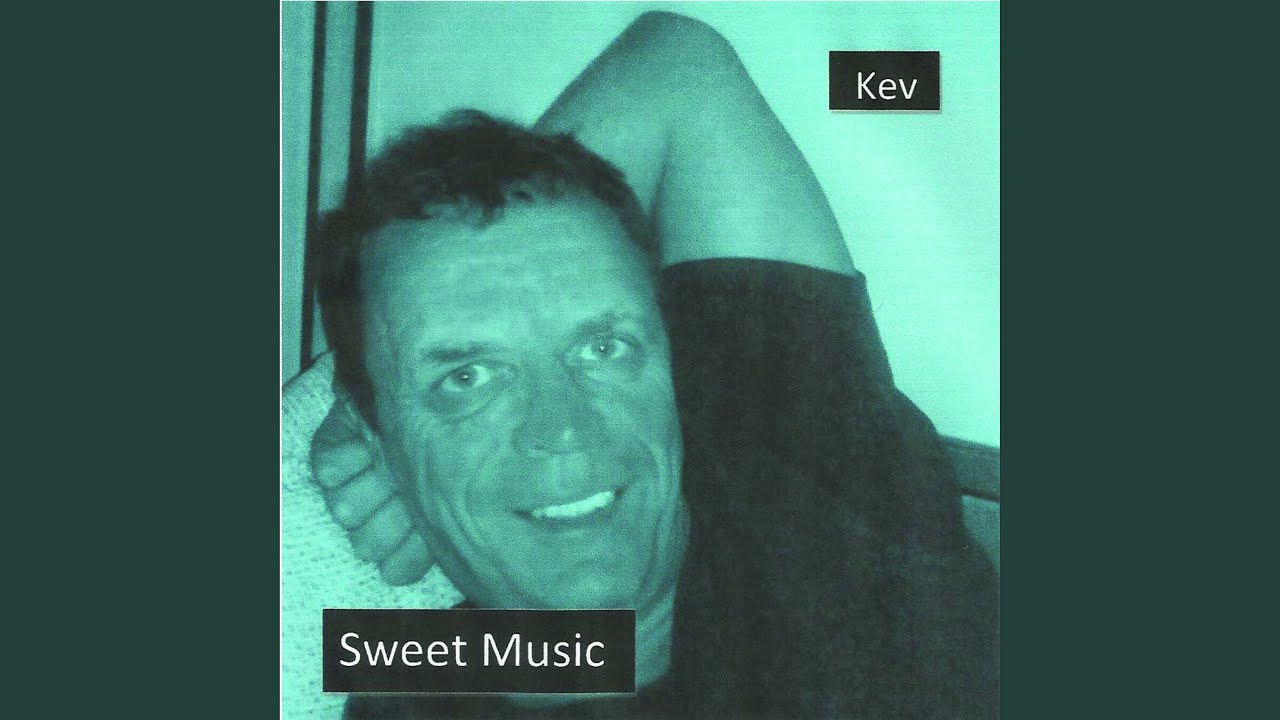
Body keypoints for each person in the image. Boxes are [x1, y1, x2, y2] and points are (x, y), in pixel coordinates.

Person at [306, 11, 997, 719]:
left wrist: (391, 385)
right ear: (376, 440)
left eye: (601, 348)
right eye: (468, 377)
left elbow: (680, 66)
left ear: (668, 358)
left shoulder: (806, 480)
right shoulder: (409, 684)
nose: (562, 427)